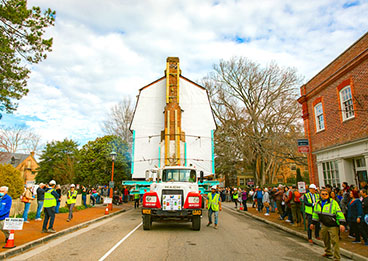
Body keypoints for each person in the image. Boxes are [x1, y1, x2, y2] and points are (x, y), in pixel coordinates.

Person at [311, 188, 346, 260]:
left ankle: (337, 257)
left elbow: (339, 213)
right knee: (325, 239)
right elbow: (315, 214)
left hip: (333, 225)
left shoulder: (333, 203)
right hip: (324, 224)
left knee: (335, 241)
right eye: (323, 194)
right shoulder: (318, 203)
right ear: (320, 195)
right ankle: (328, 252)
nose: (324, 196)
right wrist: (313, 223)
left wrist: (341, 223)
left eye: (326, 194)